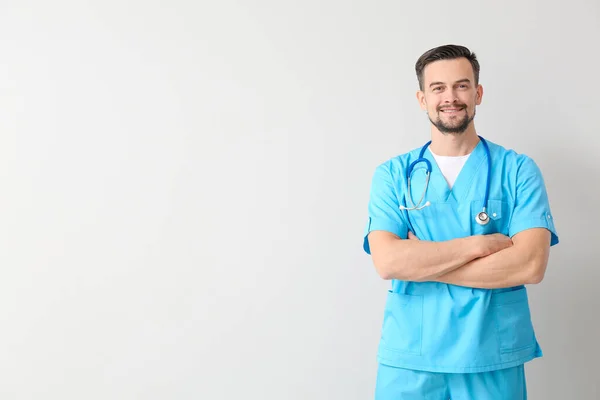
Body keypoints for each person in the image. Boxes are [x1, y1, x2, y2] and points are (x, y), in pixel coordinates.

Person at [362, 44, 559, 399]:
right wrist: (478, 245)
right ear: (422, 99)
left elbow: (530, 264)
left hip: (490, 356)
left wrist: (421, 260)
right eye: (438, 88)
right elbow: (388, 261)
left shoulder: (517, 170)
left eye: (462, 85)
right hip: (411, 357)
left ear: (478, 93)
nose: (450, 97)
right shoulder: (392, 175)